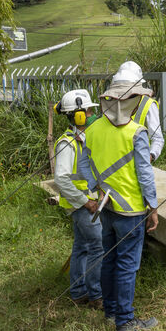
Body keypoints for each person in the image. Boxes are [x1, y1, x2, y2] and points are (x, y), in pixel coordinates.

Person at [82, 72, 160, 331]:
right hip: (131, 211)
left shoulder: (92, 129)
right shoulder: (136, 133)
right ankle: (125, 321)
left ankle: (111, 311)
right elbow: (145, 173)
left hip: (107, 207)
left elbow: (85, 166)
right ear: (132, 103)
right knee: (127, 264)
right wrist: (154, 206)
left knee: (109, 258)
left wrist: (98, 188)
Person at [53, 89, 103, 309]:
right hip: (82, 205)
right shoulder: (67, 144)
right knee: (98, 245)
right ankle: (96, 295)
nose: (92, 114)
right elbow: (62, 179)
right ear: (79, 115)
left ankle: (78, 293)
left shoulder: (84, 139)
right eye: (89, 110)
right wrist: (86, 201)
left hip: (86, 202)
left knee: (81, 246)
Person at [103, 61, 164, 162]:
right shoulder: (108, 102)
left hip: (136, 164)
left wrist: (150, 156)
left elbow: (157, 138)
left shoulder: (148, 104)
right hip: (110, 161)